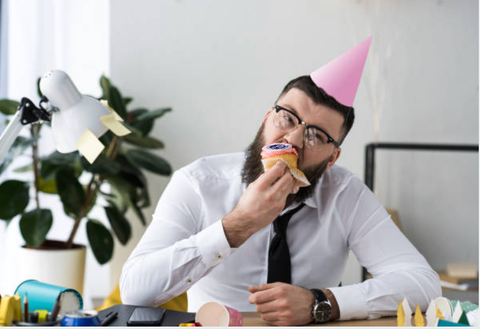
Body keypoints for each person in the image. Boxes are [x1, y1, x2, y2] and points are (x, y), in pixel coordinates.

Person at [120, 37, 441, 325]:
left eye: (316, 135)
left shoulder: (345, 194)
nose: (292, 140)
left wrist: (322, 302)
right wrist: (238, 225)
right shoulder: (197, 183)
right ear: (265, 119)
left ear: (332, 159)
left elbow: (423, 283)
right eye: (286, 117)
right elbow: (135, 291)